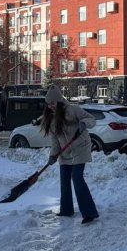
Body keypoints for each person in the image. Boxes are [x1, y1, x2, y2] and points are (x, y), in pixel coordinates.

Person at [41, 85, 100, 224]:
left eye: (53, 103)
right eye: (48, 104)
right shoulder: (51, 118)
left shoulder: (73, 109)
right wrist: (52, 155)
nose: (51, 106)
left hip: (80, 147)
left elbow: (92, 119)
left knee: (77, 177)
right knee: (64, 181)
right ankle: (66, 210)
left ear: (60, 101)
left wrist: (84, 123)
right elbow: (55, 140)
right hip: (64, 151)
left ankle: (89, 212)